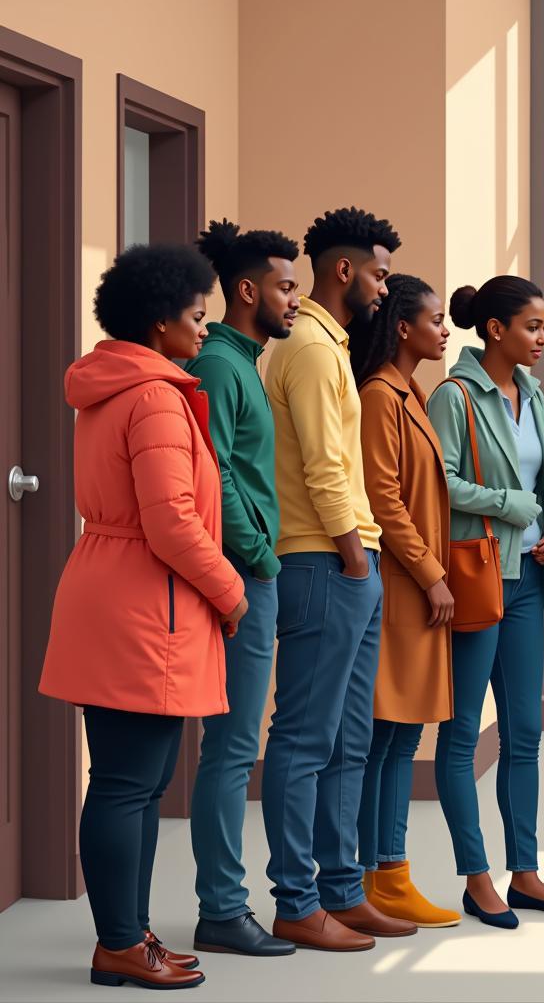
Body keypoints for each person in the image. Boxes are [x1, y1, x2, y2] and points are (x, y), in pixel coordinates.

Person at [38, 244, 248, 989]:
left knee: (132, 780)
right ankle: (121, 943)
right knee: (130, 782)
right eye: (196, 317)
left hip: (113, 587)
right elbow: (171, 522)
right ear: (160, 323)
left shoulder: (114, 387)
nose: (204, 330)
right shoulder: (155, 396)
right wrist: (230, 590)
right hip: (143, 602)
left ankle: (129, 934)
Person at [261, 206, 417, 952]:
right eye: (380, 274)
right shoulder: (316, 352)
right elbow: (325, 467)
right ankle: (296, 901)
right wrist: (356, 557)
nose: (386, 289)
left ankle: (342, 892)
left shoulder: (329, 343)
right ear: (345, 271)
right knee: (304, 739)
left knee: (350, 740)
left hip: (351, 560)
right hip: (325, 560)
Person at [427, 276, 544, 929]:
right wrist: (510, 508)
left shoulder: (536, 398)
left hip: (526, 583)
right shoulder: (454, 396)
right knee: (465, 733)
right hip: (478, 578)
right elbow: (441, 483)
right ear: (496, 330)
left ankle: (526, 873)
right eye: (533, 327)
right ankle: (476, 876)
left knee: (525, 733)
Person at [184, 219, 300, 957]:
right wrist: (258, 556)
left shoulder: (241, 359)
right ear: (249, 289)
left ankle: (224, 904)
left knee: (231, 747)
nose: (296, 300)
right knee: (230, 750)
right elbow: (214, 472)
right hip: (244, 577)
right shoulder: (224, 365)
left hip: (251, 575)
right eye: (287, 287)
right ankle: (223, 909)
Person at [348, 274, 461, 929]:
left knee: (398, 736)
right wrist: (430, 573)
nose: (445, 330)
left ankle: (389, 870)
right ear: (402, 327)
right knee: (386, 733)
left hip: (415, 586)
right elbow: (383, 497)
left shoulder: (407, 393)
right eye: (436, 319)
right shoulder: (379, 396)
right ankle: (380, 871)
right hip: (399, 586)